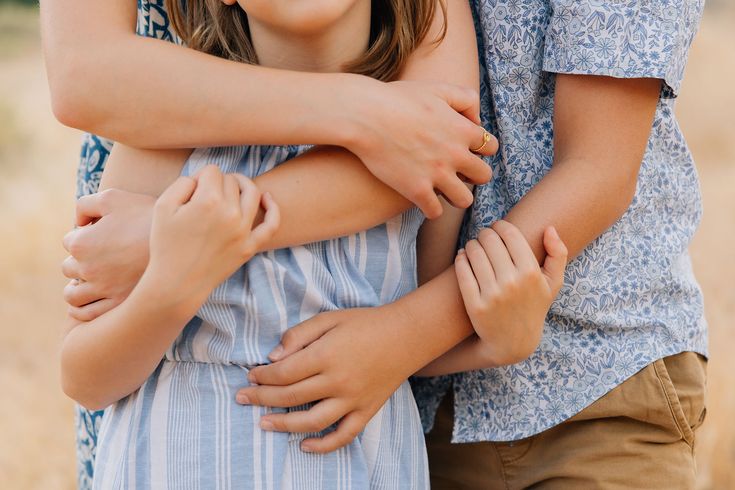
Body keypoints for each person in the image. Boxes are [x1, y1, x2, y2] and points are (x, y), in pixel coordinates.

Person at [49, 0, 708, 488]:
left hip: (590, 384)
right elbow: (84, 372)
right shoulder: (164, 139)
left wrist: (487, 339)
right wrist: (173, 276)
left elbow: (406, 321)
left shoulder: (421, 162)